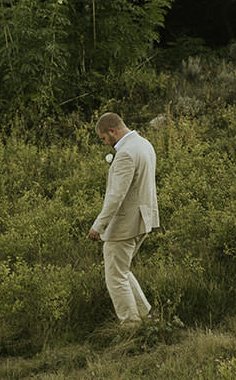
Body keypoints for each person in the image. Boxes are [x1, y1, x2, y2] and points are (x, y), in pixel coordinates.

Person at [89, 111, 159, 326]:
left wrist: (98, 226)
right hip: (144, 219)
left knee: (115, 277)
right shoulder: (144, 144)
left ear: (112, 131)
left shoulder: (127, 153)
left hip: (125, 224)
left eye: (104, 138)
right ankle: (145, 314)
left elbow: (115, 196)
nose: (104, 143)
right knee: (122, 270)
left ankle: (131, 326)